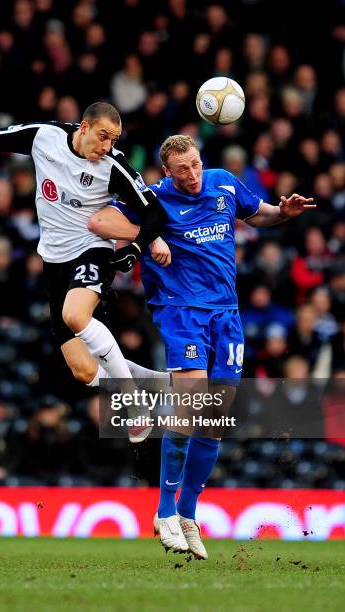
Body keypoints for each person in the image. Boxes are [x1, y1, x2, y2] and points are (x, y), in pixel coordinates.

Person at [88, 134, 315, 557]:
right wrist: (149, 236)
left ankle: (188, 514)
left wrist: (283, 213)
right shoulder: (152, 198)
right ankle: (164, 512)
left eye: (194, 165)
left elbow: (258, 214)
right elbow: (99, 222)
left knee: (214, 417)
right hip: (181, 309)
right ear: (166, 172)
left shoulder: (224, 182)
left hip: (226, 312)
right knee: (191, 405)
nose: (191, 176)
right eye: (181, 170)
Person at [0, 101, 168, 442]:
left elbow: (155, 214)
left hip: (91, 249)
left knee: (75, 315)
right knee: (83, 371)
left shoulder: (114, 166)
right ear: (83, 127)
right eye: (103, 137)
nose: (107, 147)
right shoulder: (45, 136)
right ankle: (155, 385)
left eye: (113, 140)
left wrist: (137, 246)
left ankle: (133, 403)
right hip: (53, 261)